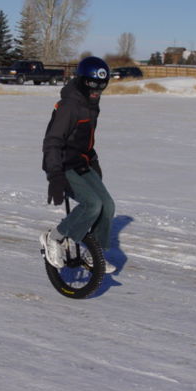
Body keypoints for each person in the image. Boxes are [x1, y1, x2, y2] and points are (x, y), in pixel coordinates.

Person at [39, 56, 116, 274]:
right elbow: (52, 141)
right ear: (82, 80)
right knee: (92, 205)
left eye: (101, 86)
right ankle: (54, 238)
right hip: (61, 164)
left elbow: (83, 139)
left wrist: (94, 161)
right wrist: (55, 176)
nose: (96, 91)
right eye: (92, 85)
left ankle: (93, 254)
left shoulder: (91, 104)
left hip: (81, 161)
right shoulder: (70, 105)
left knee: (107, 206)